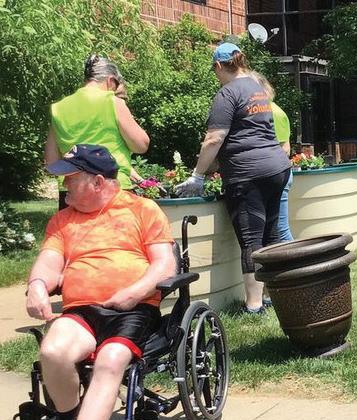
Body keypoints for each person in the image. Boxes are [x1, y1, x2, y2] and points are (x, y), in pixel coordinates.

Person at [26, 144, 176, 420]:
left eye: (71, 177)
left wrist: (134, 292)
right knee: (52, 352)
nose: (64, 184)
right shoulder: (63, 221)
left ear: (97, 182)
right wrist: (37, 286)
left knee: (111, 360)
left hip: (133, 308)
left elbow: (165, 265)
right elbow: (49, 262)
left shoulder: (142, 209)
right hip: (81, 310)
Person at [175, 43, 291, 314]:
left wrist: (197, 176)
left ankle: (254, 305)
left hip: (248, 173)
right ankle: (276, 295)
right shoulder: (256, 88)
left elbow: (214, 139)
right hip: (277, 168)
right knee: (271, 234)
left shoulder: (227, 93)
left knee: (251, 239)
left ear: (218, 66)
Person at [45, 54, 148, 209]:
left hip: (72, 191)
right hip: (111, 188)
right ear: (111, 80)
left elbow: (51, 161)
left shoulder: (58, 108)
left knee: (71, 226)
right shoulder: (112, 102)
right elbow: (141, 145)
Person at [251, 71, 294, 242]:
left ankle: (298, 258)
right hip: (275, 173)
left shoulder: (273, 112)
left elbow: (284, 149)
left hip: (278, 174)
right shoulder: (262, 110)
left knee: (280, 231)